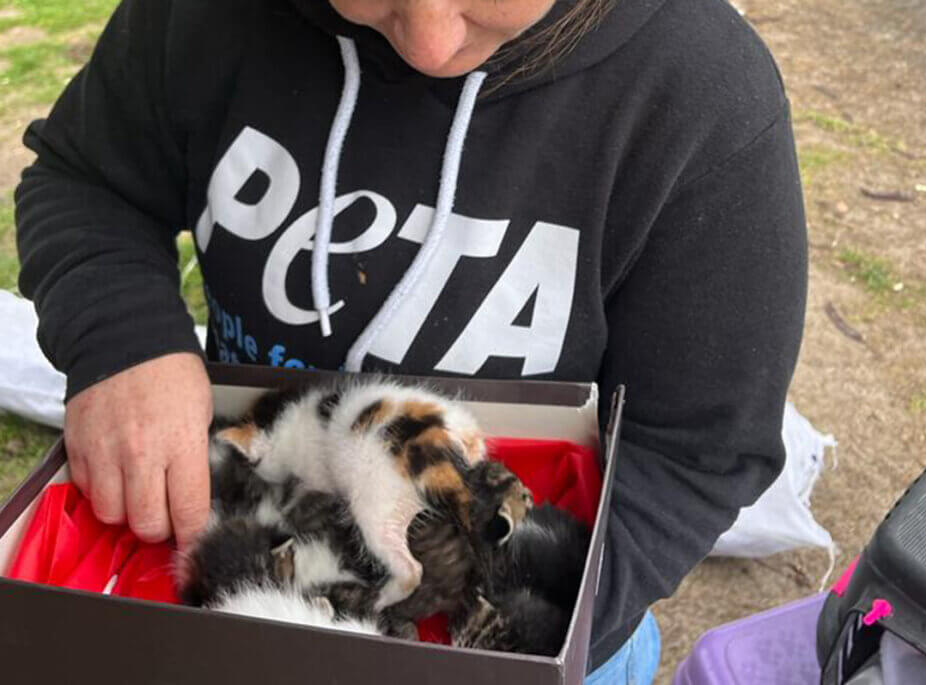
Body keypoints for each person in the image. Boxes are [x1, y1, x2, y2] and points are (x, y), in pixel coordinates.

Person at [15, 0, 807, 680]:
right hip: (250, 539)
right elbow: (87, 182)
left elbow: (698, 448)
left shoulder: (703, 97)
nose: (429, 42)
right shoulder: (201, 17)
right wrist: (122, 342)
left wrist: (537, 626)